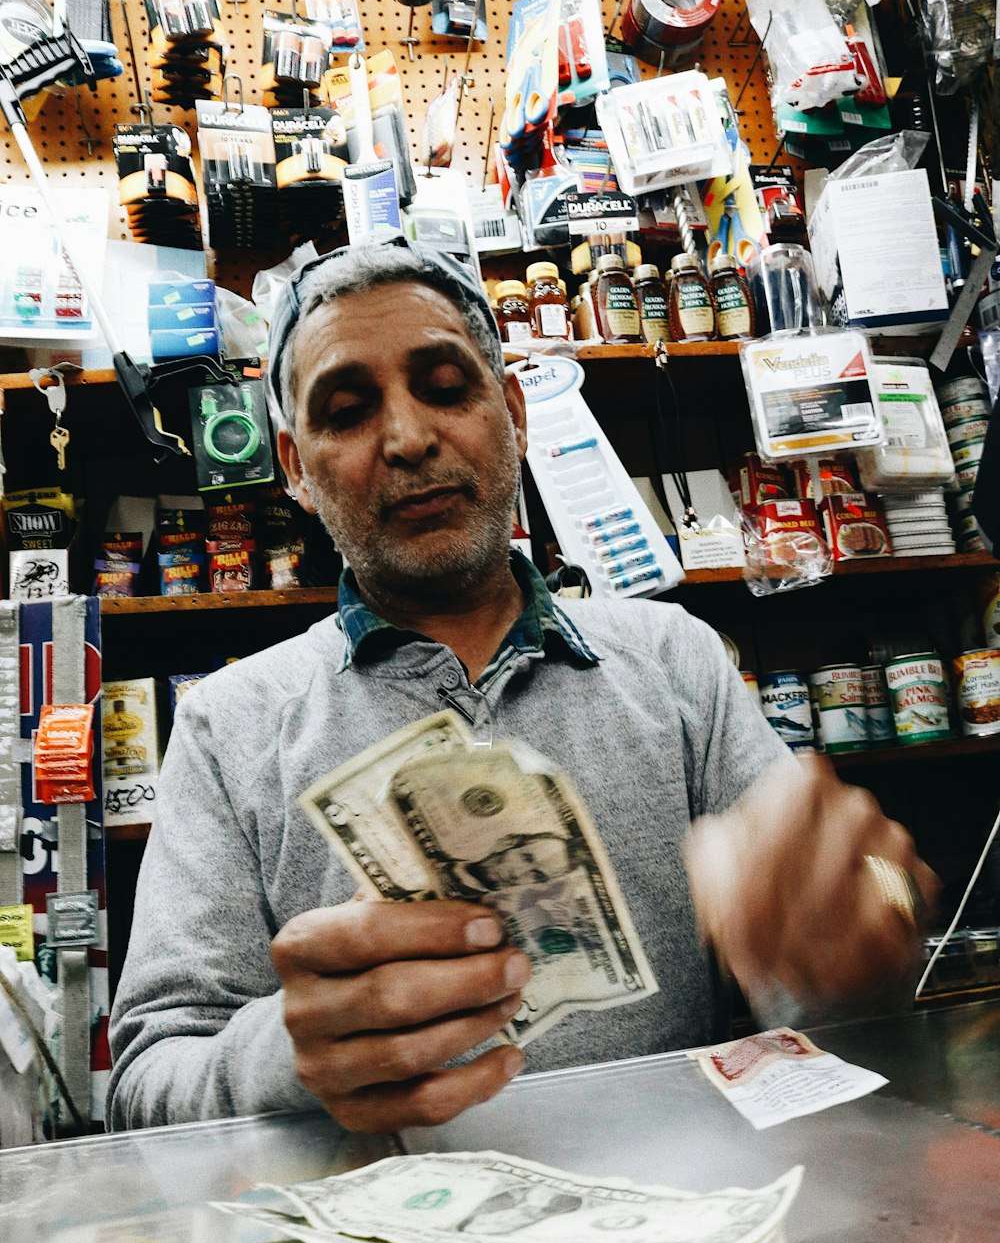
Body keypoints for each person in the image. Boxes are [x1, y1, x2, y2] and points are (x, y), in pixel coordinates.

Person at [106, 238, 935, 1136]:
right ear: (297, 468)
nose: (410, 437)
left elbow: (864, 926)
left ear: (513, 413)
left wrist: (876, 911)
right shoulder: (230, 727)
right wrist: (283, 1052)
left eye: (447, 387)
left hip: (676, 1235)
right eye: (346, 410)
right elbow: (145, 1085)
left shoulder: (675, 661)